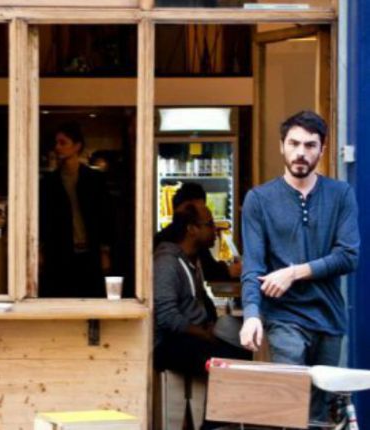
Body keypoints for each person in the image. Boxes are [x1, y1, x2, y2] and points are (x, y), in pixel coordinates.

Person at [239, 111, 360, 423]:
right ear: (281, 146)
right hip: (284, 318)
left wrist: (293, 272)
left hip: (329, 319)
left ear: (322, 149)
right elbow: (253, 266)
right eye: (293, 144)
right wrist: (251, 315)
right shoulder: (259, 200)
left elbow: (349, 256)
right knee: (291, 409)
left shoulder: (341, 194)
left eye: (310, 145)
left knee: (319, 416)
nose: (301, 152)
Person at [154, 200, 250, 376]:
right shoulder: (167, 263)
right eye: (210, 224)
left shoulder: (193, 260)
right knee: (234, 363)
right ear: (192, 229)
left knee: (244, 354)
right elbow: (167, 317)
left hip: (192, 338)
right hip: (173, 345)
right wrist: (204, 334)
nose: (215, 230)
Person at [39, 122, 111, 298]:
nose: (57, 147)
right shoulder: (49, 182)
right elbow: (44, 219)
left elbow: (105, 217)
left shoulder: (94, 179)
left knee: (90, 300)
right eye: (56, 143)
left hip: (89, 251)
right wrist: (40, 249)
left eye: (63, 142)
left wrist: (105, 251)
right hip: (59, 253)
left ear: (77, 146)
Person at [154, 182, 241, 281]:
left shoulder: (196, 247)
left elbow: (210, 268)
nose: (215, 229)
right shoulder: (166, 258)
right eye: (210, 224)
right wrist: (228, 271)